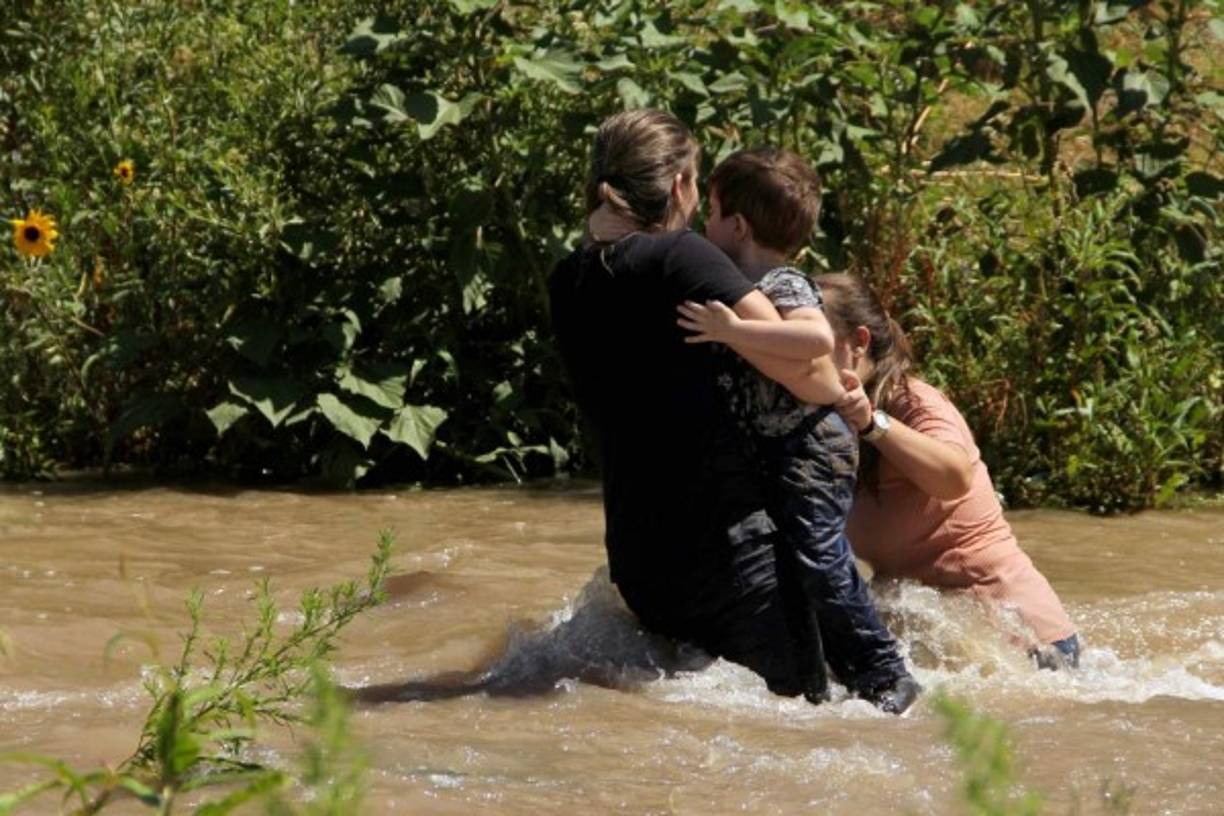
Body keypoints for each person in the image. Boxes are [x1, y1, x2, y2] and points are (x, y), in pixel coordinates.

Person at [549, 109, 919, 712]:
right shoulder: (680, 257)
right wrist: (847, 398)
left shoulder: (567, 279)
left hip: (641, 565)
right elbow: (812, 369)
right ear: (677, 187)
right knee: (813, 719)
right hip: (733, 557)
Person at [676, 147, 918, 705]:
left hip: (813, 443)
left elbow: (813, 340)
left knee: (818, 553)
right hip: (784, 446)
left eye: (710, 214)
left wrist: (731, 330)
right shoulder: (738, 279)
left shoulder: (782, 283)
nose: (703, 225)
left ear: (737, 225)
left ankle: (886, 671)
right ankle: (841, 672)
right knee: (796, 559)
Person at [813, 273, 1080, 668]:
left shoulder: (916, 404)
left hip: (1026, 650)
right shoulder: (824, 418)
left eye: (814, 337)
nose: (802, 350)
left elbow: (954, 477)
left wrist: (872, 424)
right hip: (943, 645)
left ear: (859, 343)